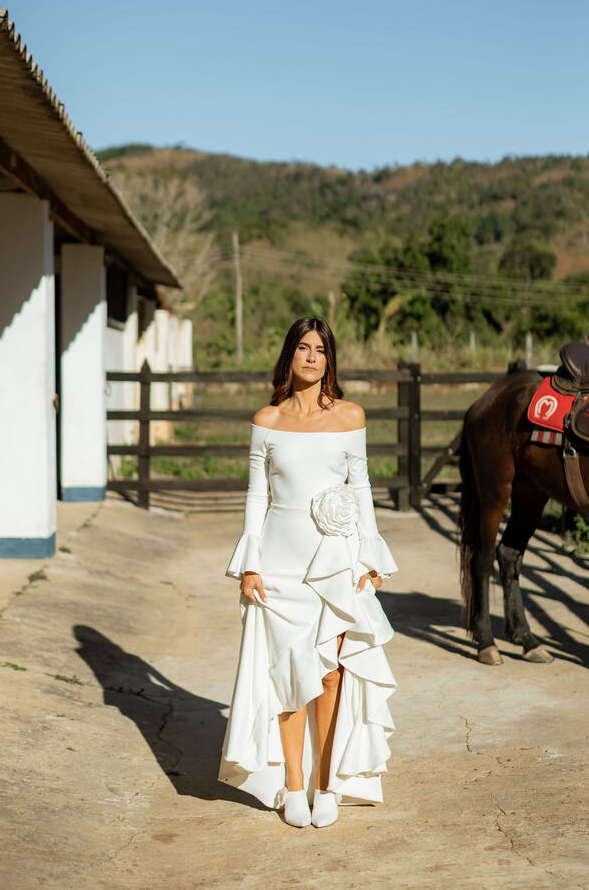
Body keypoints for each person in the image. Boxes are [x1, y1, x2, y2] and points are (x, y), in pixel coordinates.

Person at [218, 317, 397, 828]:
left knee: (332, 673)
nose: (312, 357)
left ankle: (326, 784)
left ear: (330, 359)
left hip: (335, 562)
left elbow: (361, 491)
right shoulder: (267, 421)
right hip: (278, 563)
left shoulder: (351, 417)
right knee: (287, 675)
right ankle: (293, 785)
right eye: (303, 347)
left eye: (320, 349)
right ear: (290, 356)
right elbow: (257, 496)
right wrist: (249, 565)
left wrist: (369, 558)